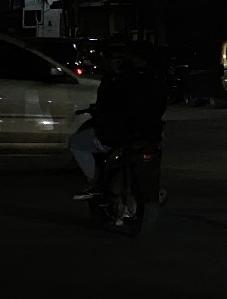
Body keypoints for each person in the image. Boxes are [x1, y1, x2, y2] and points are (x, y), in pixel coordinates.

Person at [70, 40, 168, 197]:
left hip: (119, 134)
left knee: (77, 143)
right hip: (151, 134)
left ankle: (97, 183)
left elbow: (110, 106)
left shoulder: (121, 80)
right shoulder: (157, 79)